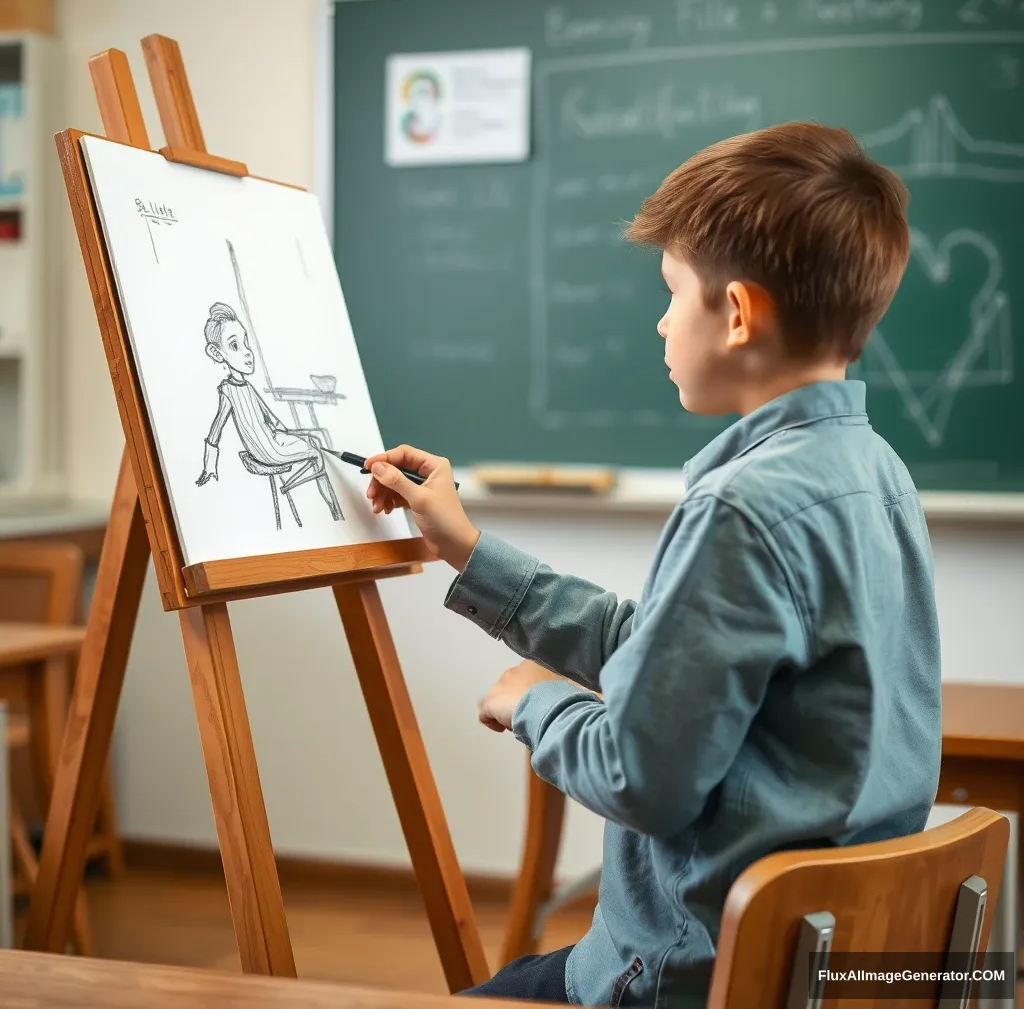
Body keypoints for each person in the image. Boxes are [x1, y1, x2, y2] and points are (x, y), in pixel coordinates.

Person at [362, 123, 941, 1007]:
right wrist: (467, 551)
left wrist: (535, 701)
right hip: (824, 968)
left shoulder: (738, 508)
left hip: (687, 976)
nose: (662, 319)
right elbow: (665, 652)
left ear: (739, 313)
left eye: (673, 292)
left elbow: (644, 782)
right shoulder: (877, 475)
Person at [197, 302, 341, 520]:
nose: (247, 353)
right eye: (235, 345)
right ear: (217, 353)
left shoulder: (246, 387)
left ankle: (333, 507)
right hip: (268, 450)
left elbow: (271, 420)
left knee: (314, 437)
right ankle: (334, 509)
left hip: (272, 442)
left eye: (245, 342)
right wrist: (210, 466)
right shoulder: (228, 391)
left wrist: (291, 434)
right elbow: (216, 429)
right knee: (316, 451)